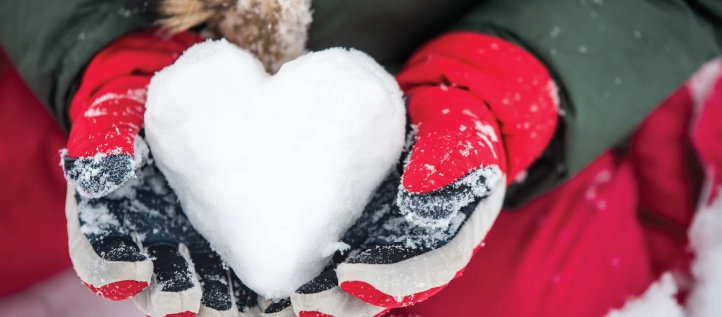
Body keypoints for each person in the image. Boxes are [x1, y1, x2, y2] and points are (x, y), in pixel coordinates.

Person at [0, 0, 720, 316]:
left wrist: (498, 87)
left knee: (515, 296)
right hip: (111, 51)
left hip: (488, 74)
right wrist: (98, 53)